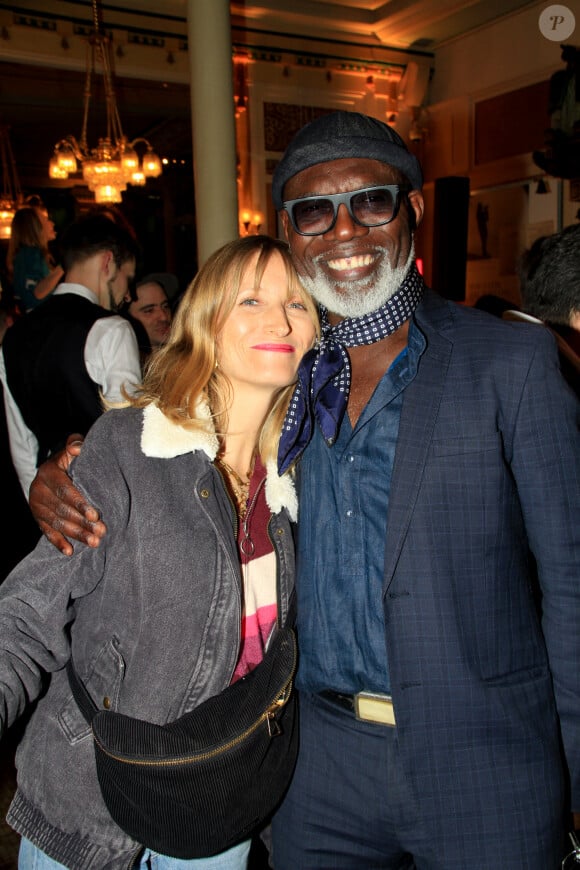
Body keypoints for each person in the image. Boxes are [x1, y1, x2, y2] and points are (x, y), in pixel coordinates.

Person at [28, 111, 580, 868]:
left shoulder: (511, 363)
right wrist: (68, 469)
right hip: (313, 769)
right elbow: (175, 452)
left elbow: (574, 586)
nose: (345, 230)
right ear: (290, 232)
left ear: (412, 210)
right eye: (315, 211)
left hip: (484, 758)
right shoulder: (286, 387)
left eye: (373, 202)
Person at [0, 234, 318, 870]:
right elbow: (30, 611)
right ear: (204, 320)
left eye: (299, 304)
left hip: (216, 801)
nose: (280, 320)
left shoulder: (307, 474)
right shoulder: (128, 446)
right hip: (87, 791)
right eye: (251, 299)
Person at [0, 213, 142, 499]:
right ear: (108, 262)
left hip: (53, 504)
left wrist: (41, 509)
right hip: (110, 499)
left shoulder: (14, 337)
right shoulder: (112, 329)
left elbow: (23, 448)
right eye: (128, 278)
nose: (128, 294)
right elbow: (129, 437)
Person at [7, 204, 64, 313]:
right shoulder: (31, 253)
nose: (52, 223)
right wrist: (65, 264)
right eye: (46, 219)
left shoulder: (22, 256)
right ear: (35, 227)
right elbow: (37, 293)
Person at [119, 272, 177, 367]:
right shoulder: (126, 369)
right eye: (149, 311)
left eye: (165, 306)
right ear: (128, 318)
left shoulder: (187, 363)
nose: (164, 317)